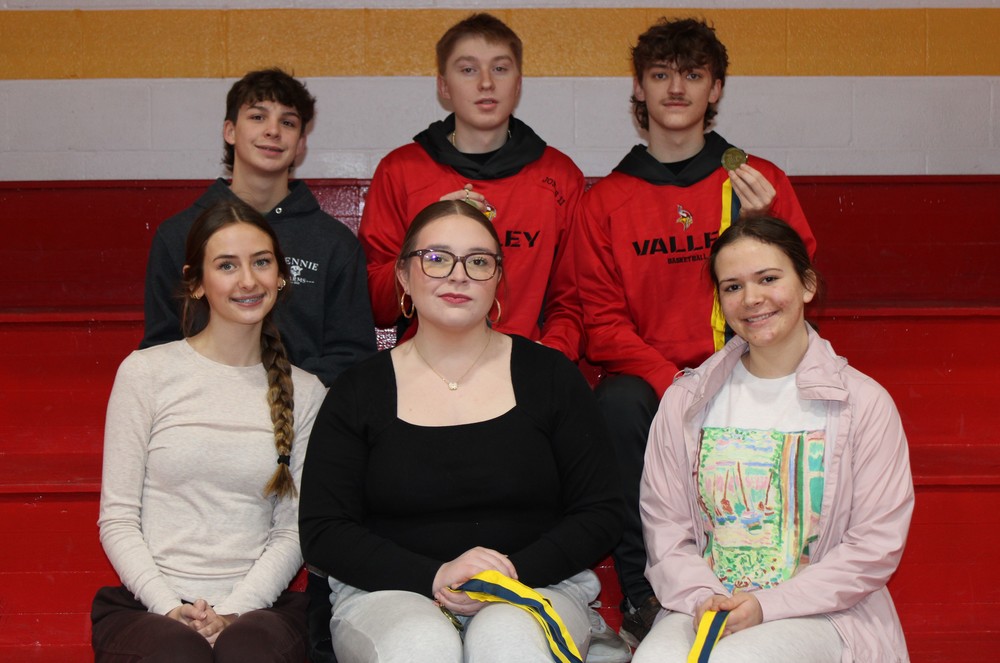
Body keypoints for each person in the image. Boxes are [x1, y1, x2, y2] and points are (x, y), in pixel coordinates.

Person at [573, 18, 817, 643]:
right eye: (660, 75)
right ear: (640, 89)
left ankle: (781, 584)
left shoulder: (754, 179)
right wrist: (675, 382)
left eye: (692, 75)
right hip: (654, 382)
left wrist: (768, 224)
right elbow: (600, 321)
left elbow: (796, 282)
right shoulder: (607, 198)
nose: (675, 88)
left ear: (715, 91)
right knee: (617, 403)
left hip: (747, 366)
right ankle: (643, 597)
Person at [299, 200, 623, 663]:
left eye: (478, 261)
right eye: (436, 258)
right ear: (404, 277)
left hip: (537, 584)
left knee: (507, 645)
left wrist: (505, 576)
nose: (458, 275)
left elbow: (601, 512)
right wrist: (434, 575)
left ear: (497, 281)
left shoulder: (550, 376)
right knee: (422, 647)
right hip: (389, 593)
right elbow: (324, 531)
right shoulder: (358, 389)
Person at [633, 216, 913, 662]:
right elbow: (666, 531)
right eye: (733, 286)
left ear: (807, 285)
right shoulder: (686, 401)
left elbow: (873, 547)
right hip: (704, 606)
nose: (752, 299)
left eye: (768, 278)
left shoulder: (864, 403)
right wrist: (706, 596)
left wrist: (766, 606)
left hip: (824, 614)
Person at [91, 199, 328, 662]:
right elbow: (118, 518)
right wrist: (168, 606)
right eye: (226, 265)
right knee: (178, 653)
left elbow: (293, 531)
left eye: (261, 262)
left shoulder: (307, 391)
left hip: (260, 610)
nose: (248, 280)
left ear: (280, 275)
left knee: (248, 652)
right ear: (197, 283)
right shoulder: (146, 373)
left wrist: (234, 612)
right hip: (149, 607)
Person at [358, 12, 585, 361]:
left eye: (500, 68)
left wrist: (549, 358)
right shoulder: (400, 170)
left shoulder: (560, 174)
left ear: (518, 82)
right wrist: (426, 237)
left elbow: (571, 300)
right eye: (467, 69)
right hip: (426, 366)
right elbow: (376, 305)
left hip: (525, 366)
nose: (485, 83)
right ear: (444, 86)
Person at [142, 67, 376, 388]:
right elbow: (161, 346)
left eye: (288, 122)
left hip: (302, 419)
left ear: (301, 143)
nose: (273, 131)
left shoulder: (334, 244)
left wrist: (285, 394)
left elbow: (351, 355)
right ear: (230, 131)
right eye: (257, 117)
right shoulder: (178, 235)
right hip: (203, 414)